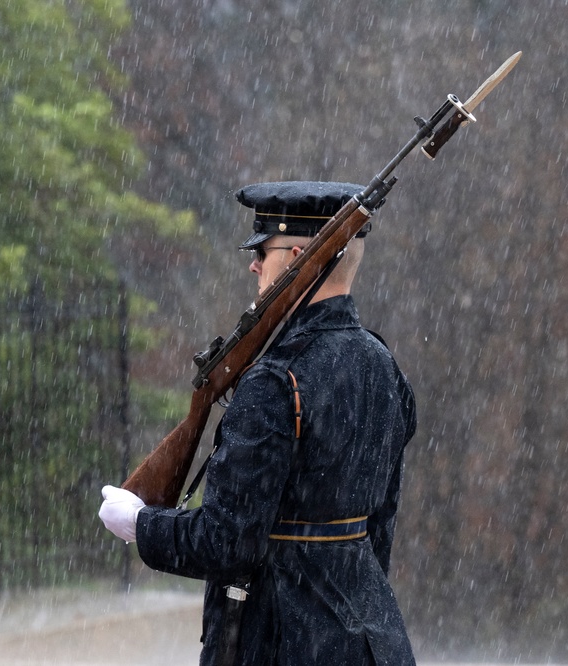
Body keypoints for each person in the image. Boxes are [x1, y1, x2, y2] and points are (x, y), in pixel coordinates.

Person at [98, 180, 417, 665]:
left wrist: (142, 525)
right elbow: (380, 529)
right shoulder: (383, 366)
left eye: (262, 252)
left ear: (294, 258)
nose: (253, 264)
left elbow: (227, 544)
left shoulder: (275, 382)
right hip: (373, 643)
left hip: (278, 645)